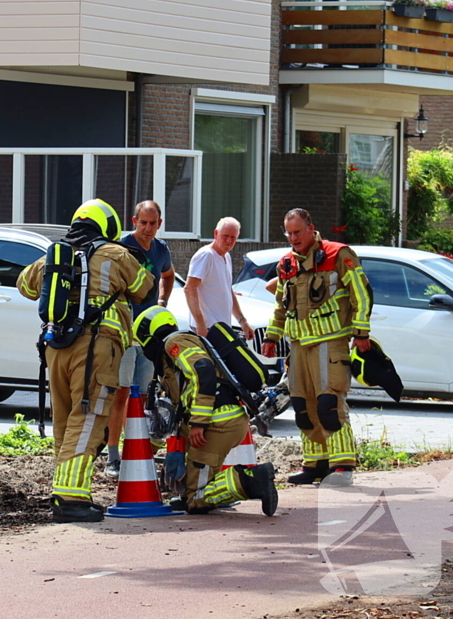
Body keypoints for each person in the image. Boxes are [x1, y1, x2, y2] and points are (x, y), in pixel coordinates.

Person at [17, 198, 154, 522]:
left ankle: (65, 491)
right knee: (89, 417)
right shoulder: (116, 254)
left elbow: (24, 285)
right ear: (108, 226)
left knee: (65, 421)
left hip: (56, 348)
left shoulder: (55, 255)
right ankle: (71, 499)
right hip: (95, 348)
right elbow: (144, 289)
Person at [261, 208, 373, 487]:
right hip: (299, 344)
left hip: (330, 340)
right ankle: (315, 464)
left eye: (298, 232)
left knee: (329, 404)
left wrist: (361, 331)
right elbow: (281, 305)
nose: (293, 238)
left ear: (311, 228)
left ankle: (342, 466)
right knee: (302, 405)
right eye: (288, 233)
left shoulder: (338, 254)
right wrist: (272, 338)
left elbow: (361, 292)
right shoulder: (286, 263)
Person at [133, 305, 277, 515]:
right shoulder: (176, 351)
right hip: (221, 421)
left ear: (148, 335)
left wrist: (199, 423)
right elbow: (180, 403)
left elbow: (203, 370)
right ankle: (202, 490)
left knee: (195, 500)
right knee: (191, 493)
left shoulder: (175, 343)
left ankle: (252, 480)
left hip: (216, 424)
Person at [105, 200, 175, 478]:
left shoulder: (161, 249)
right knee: (120, 394)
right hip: (122, 333)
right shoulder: (121, 246)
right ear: (134, 222)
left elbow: (167, 275)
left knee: (142, 396)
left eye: (153, 223)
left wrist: (163, 300)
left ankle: (136, 451)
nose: (148, 228)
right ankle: (112, 456)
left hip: (147, 336)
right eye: (143, 223)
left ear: (160, 224)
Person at [185, 217, 254, 341]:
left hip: (221, 328)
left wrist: (242, 321)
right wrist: (200, 324)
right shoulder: (206, 255)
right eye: (225, 236)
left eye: (233, 237)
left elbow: (228, 291)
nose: (229, 241)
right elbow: (189, 288)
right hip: (207, 329)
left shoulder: (226, 256)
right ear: (216, 233)